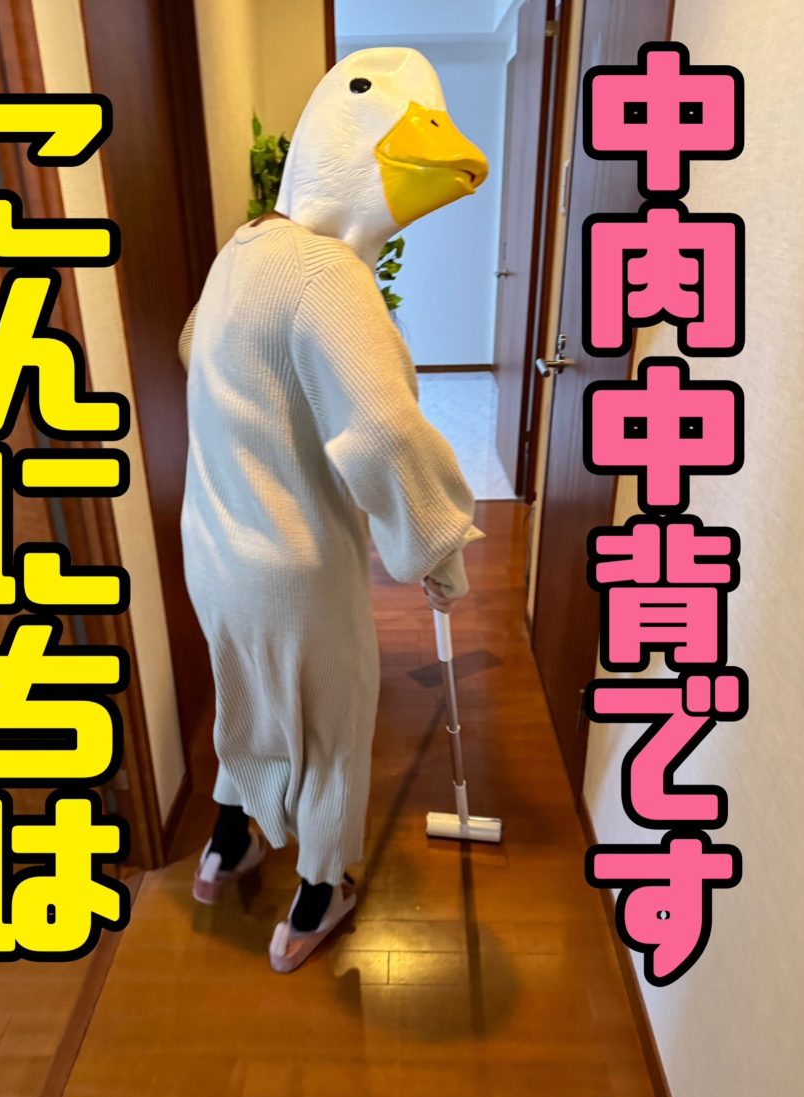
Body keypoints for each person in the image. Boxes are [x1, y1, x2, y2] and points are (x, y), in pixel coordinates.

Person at [179, 47, 488, 972]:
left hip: (213, 553)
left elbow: (196, 347)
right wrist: (438, 548)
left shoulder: (242, 251)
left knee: (249, 694)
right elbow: (385, 430)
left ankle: (227, 845)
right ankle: (317, 898)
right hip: (295, 571)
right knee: (331, 727)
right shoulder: (329, 277)